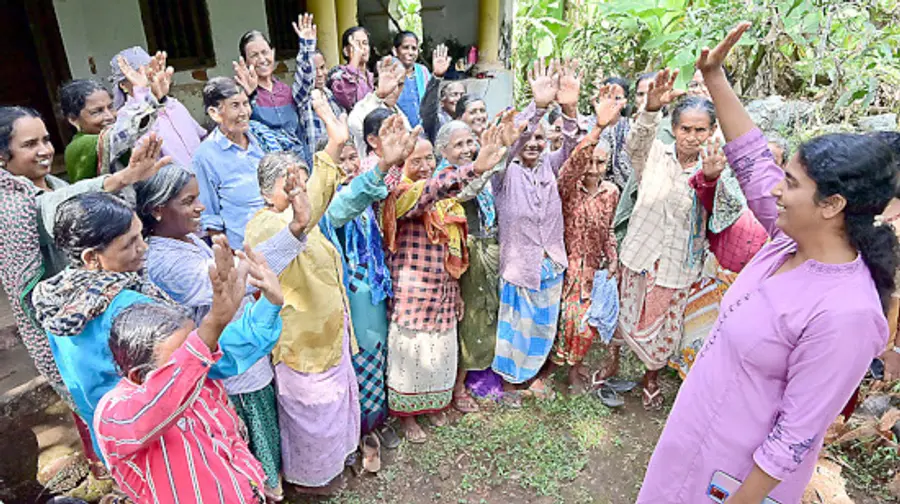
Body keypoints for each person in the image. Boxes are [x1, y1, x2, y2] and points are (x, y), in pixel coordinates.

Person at [639, 23, 898, 504]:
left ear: (832, 205)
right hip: (692, 439)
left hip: (734, 481)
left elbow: (794, 437)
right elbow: (752, 159)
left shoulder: (848, 312)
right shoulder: (787, 240)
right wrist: (714, 77)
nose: (776, 188)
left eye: (792, 182)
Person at [31, 193, 284, 461]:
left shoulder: (59, 300)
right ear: (92, 257)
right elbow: (199, 362)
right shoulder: (131, 310)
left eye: (141, 236)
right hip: (168, 441)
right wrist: (266, 309)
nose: (144, 248)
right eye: (130, 243)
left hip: (119, 443)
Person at [0, 108, 171, 476]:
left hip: (99, 312)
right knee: (106, 405)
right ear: (3, 156)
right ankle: (127, 474)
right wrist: (121, 177)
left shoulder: (52, 184)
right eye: (29, 144)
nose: (45, 150)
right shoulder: (10, 207)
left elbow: (78, 207)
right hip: (64, 328)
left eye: (45, 139)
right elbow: (48, 215)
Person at [136, 163, 311, 500]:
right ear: (158, 210)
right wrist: (293, 230)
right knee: (249, 441)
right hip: (229, 370)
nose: (200, 207)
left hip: (238, 353)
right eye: (188, 202)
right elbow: (235, 282)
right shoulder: (165, 261)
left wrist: (295, 227)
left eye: (197, 199)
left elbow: (243, 270)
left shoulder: (186, 241)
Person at [243, 90, 377, 494]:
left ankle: (335, 465)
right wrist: (332, 146)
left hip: (329, 338)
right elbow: (289, 237)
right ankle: (311, 481)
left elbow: (315, 206)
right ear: (267, 193)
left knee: (334, 413)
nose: (301, 193)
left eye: (303, 183)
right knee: (311, 418)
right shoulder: (265, 226)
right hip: (300, 346)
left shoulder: (306, 221)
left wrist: (333, 145)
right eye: (291, 186)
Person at [95, 241, 285, 504]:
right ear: (139, 376)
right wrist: (213, 323)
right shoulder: (115, 415)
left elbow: (231, 440)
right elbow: (159, 402)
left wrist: (251, 483)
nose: (195, 361)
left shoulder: (203, 382)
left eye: (193, 347)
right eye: (182, 358)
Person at [381, 122, 515, 442]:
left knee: (438, 351)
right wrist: (474, 168)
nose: (426, 166)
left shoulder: (444, 199)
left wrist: (454, 290)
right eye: (418, 160)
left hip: (442, 287)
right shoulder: (400, 194)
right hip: (412, 290)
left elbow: (452, 245)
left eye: (430, 160)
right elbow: (432, 191)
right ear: (401, 162)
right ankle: (408, 417)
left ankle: (434, 405)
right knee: (411, 354)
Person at [608, 70, 718, 411]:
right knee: (628, 313)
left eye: (701, 130)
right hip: (642, 253)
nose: (692, 137)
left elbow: (723, 213)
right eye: (685, 129)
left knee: (666, 327)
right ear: (674, 129)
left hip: (678, 263)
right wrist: (651, 109)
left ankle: (650, 377)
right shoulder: (655, 155)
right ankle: (613, 361)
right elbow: (635, 144)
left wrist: (713, 179)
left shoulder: (715, 166)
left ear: (712, 131)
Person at [490, 59, 581, 396]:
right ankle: (513, 383)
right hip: (519, 266)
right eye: (527, 137)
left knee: (542, 325)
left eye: (540, 138)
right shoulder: (503, 172)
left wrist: (570, 110)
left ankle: (534, 375)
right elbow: (510, 142)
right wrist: (538, 107)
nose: (533, 143)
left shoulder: (551, 167)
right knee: (516, 329)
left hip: (550, 263)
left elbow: (574, 149)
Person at [433, 112, 520, 413]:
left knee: (486, 312)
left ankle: (480, 373)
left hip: (488, 246)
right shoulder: (444, 178)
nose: (468, 149)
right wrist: (484, 166)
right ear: (442, 151)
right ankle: (458, 387)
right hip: (464, 256)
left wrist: (503, 148)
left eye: (471, 141)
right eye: (459, 145)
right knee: (469, 318)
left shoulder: (472, 168)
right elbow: (466, 192)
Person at [548, 86, 625, 394]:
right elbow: (573, 164)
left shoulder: (611, 192)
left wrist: (613, 256)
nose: (594, 169)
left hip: (593, 267)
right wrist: (597, 128)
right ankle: (558, 368)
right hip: (565, 265)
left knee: (587, 323)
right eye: (591, 162)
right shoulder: (568, 187)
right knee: (568, 319)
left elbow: (607, 229)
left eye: (601, 163)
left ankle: (575, 369)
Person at [61, 54, 170, 182]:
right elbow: (122, 134)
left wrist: (154, 97)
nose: (109, 116)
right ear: (73, 119)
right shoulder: (80, 145)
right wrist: (150, 99)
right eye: (97, 112)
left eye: (111, 107)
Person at [193, 77, 266, 250]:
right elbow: (210, 215)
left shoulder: (261, 138)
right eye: (235, 105)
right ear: (214, 113)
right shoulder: (205, 156)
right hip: (243, 249)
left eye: (245, 104)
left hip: (277, 237)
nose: (244, 112)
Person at [110, 47, 207, 167]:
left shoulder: (173, 104)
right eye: (143, 76)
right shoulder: (126, 116)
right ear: (123, 86)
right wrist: (144, 94)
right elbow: (144, 150)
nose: (151, 80)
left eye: (152, 74)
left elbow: (201, 137)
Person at [293, 13, 345, 159]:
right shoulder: (304, 99)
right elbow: (305, 75)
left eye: (322, 67)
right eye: (315, 70)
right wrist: (306, 45)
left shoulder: (331, 96)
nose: (320, 73)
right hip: (317, 165)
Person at [348, 57, 410, 156]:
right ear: (376, 82)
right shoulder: (364, 107)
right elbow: (355, 124)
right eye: (391, 83)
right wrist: (380, 95)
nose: (395, 90)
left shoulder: (399, 113)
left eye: (400, 84)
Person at [421, 44, 465, 144]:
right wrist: (437, 77)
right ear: (442, 102)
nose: (459, 99)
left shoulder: (467, 119)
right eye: (454, 94)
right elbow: (428, 110)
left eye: (462, 95)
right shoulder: (437, 122)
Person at [329, 26, 374, 112]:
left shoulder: (371, 76)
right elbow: (346, 100)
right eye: (357, 44)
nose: (362, 48)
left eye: (365, 43)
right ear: (346, 51)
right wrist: (355, 59)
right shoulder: (339, 74)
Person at [392, 31, 430, 127]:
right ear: (395, 51)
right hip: (398, 129)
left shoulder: (423, 71)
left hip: (423, 130)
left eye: (414, 48)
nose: (410, 52)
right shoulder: (389, 72)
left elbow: (431, 101)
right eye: (405, 48)